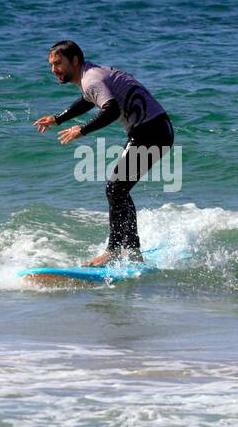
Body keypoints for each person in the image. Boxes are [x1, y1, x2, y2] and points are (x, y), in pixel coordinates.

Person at [33, 40, 174, 266]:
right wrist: (58, 119)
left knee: (116, 188)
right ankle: (132, 251)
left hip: (151, 131)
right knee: (118, 189)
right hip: (155, 129)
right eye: (51, 65)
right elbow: (89, 99)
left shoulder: (92, 79)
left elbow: (111, 110)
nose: (54, 70)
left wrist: (82, 130)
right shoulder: (91, 76)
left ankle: (116, 250)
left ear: (75, 60)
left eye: (58, 63)